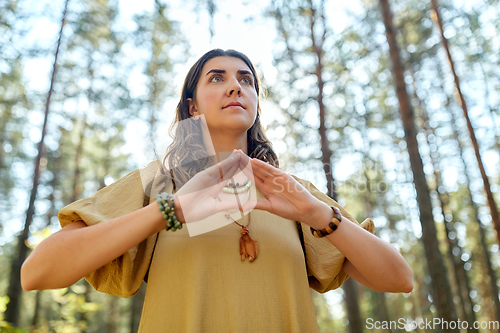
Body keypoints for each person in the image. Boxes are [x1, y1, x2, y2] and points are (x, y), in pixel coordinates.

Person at [21, 49, 413, 332]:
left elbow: (398, 279)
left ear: (256, 102)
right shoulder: (156, 182)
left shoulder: (293, 193)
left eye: (246, 80)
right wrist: (171, 210)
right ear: (192, 107)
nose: (235, 87)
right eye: (217, 78)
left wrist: (318, 216)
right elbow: (38, 272)